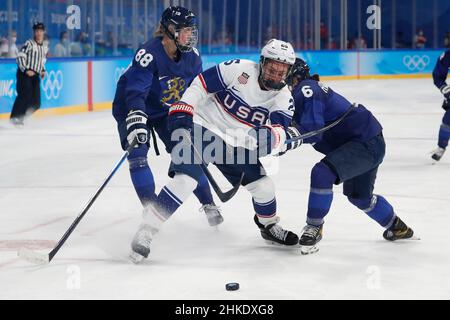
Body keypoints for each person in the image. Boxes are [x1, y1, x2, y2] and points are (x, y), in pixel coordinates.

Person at [128, 38, 301, 263]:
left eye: (281, 72)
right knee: (185, 180)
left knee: (264, 187)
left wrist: (272, 138)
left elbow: (278, 129)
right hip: (204, 126)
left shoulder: (283, 97)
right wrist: (185, 106)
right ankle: (147, 229)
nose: (275, 76)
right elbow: (201, 83)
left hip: (238, 141)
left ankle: (269, 227)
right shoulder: (238, 68)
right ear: (262, 63)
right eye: (271, 69)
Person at [112, 7, 224, 233]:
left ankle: (208, 203)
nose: (191, 36)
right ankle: (151, 208)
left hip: (165, 109)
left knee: (186, 153)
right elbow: (135, 91)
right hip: (133, 106)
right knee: (137, 152)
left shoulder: (193, 56)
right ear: (170, 30)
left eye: (193, 31)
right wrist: (136, 116)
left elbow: (196, 89)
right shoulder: (148, 53)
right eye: (186, 31)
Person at [285, 58, 415, 255]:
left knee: (322, 173)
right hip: (367, 140)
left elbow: (314, 132)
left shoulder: (306, 88)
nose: (284, 82)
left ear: (296, 77)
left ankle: (314, 226)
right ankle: (397, 227)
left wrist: (282, 140)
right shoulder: (304, 92)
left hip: (364, 143)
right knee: (360, 198)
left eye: (287, 77)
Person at [10, 22, 48, 126]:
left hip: (35, 75)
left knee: (36, 103)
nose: (38, 33)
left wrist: (43, 70)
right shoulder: (29, 43)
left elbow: (42, 60)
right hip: (24, 74)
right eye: (36, 31)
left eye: (40, 31)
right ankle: (15, 118)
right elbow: (20, 56)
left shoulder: (44, 47)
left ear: (43, 32)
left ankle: (21, 117)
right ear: (34, 32)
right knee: (24, 95)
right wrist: (26, 70)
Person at [431, 50, 450, 161]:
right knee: (448, 120)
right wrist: (445, 89)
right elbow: (438, 76)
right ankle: (441, 147)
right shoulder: (447, 55)